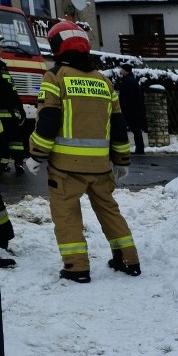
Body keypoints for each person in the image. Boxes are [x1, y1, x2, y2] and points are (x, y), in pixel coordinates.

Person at [25, 20, 140, 284]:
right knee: (110, 211)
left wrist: (36, 155)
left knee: (67, 216)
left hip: (66, 169)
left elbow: (49, 120)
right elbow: (119, 126)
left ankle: (76, 267)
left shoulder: (55, 78)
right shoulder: (104, 82)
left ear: (57, 47)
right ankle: (129, 259)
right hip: (100, 168)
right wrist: (121, 160)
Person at [0, 58, 26, 174]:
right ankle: (19, 163)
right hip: (13, 114)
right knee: (16, 141)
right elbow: (15, 94)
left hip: (3, 114)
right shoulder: (6, 74)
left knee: (4, 141)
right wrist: (21, 110)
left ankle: (3, 164)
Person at [115, 63, 146, 155]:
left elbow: (127, 97)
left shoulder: (129, 81)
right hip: (133, 110)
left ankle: (140, 149)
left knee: (135, 129)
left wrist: (124, 108)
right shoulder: (129, 80)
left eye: (122, 69)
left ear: (126, 71)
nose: (120, 71)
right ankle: (139, 148)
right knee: (135, 129)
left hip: (131, 110)